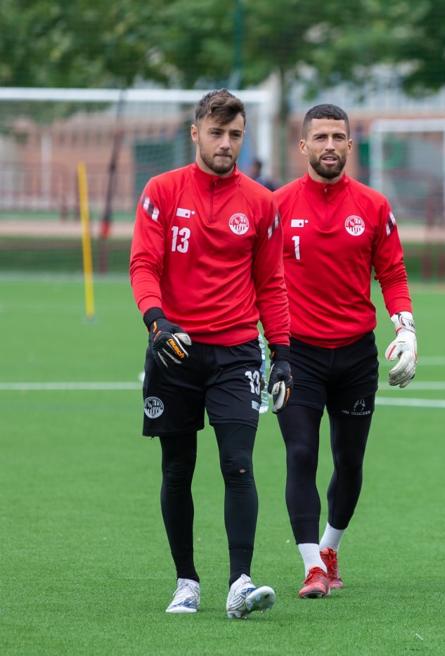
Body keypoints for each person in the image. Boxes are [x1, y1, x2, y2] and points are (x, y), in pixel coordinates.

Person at [130, 89, 293, 618]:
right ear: (195, 133)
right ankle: (186, 582)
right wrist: (158, 321)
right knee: (177, 469)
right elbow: (143, 266)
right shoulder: (161, 191)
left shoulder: (261, 202)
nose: (227, 144)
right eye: (217, 133)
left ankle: (240, 583)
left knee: (238, 465)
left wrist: (283, 353)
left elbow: (271, 283)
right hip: (173, 351)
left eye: (236, 135)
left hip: (237, 354)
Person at [273, 103, 417, 599]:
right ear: (303, 146)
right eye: (321, 137)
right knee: (300, 453)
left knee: (349, 461)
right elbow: (255, 277)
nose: (330, 145)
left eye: (338, 137)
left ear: (351, 146)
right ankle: (312, 565)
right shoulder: (278, 206)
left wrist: (406, 327)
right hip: (297, 355)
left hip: (356, 356)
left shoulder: (374, 206)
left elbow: (392, 274)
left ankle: (331, 547)